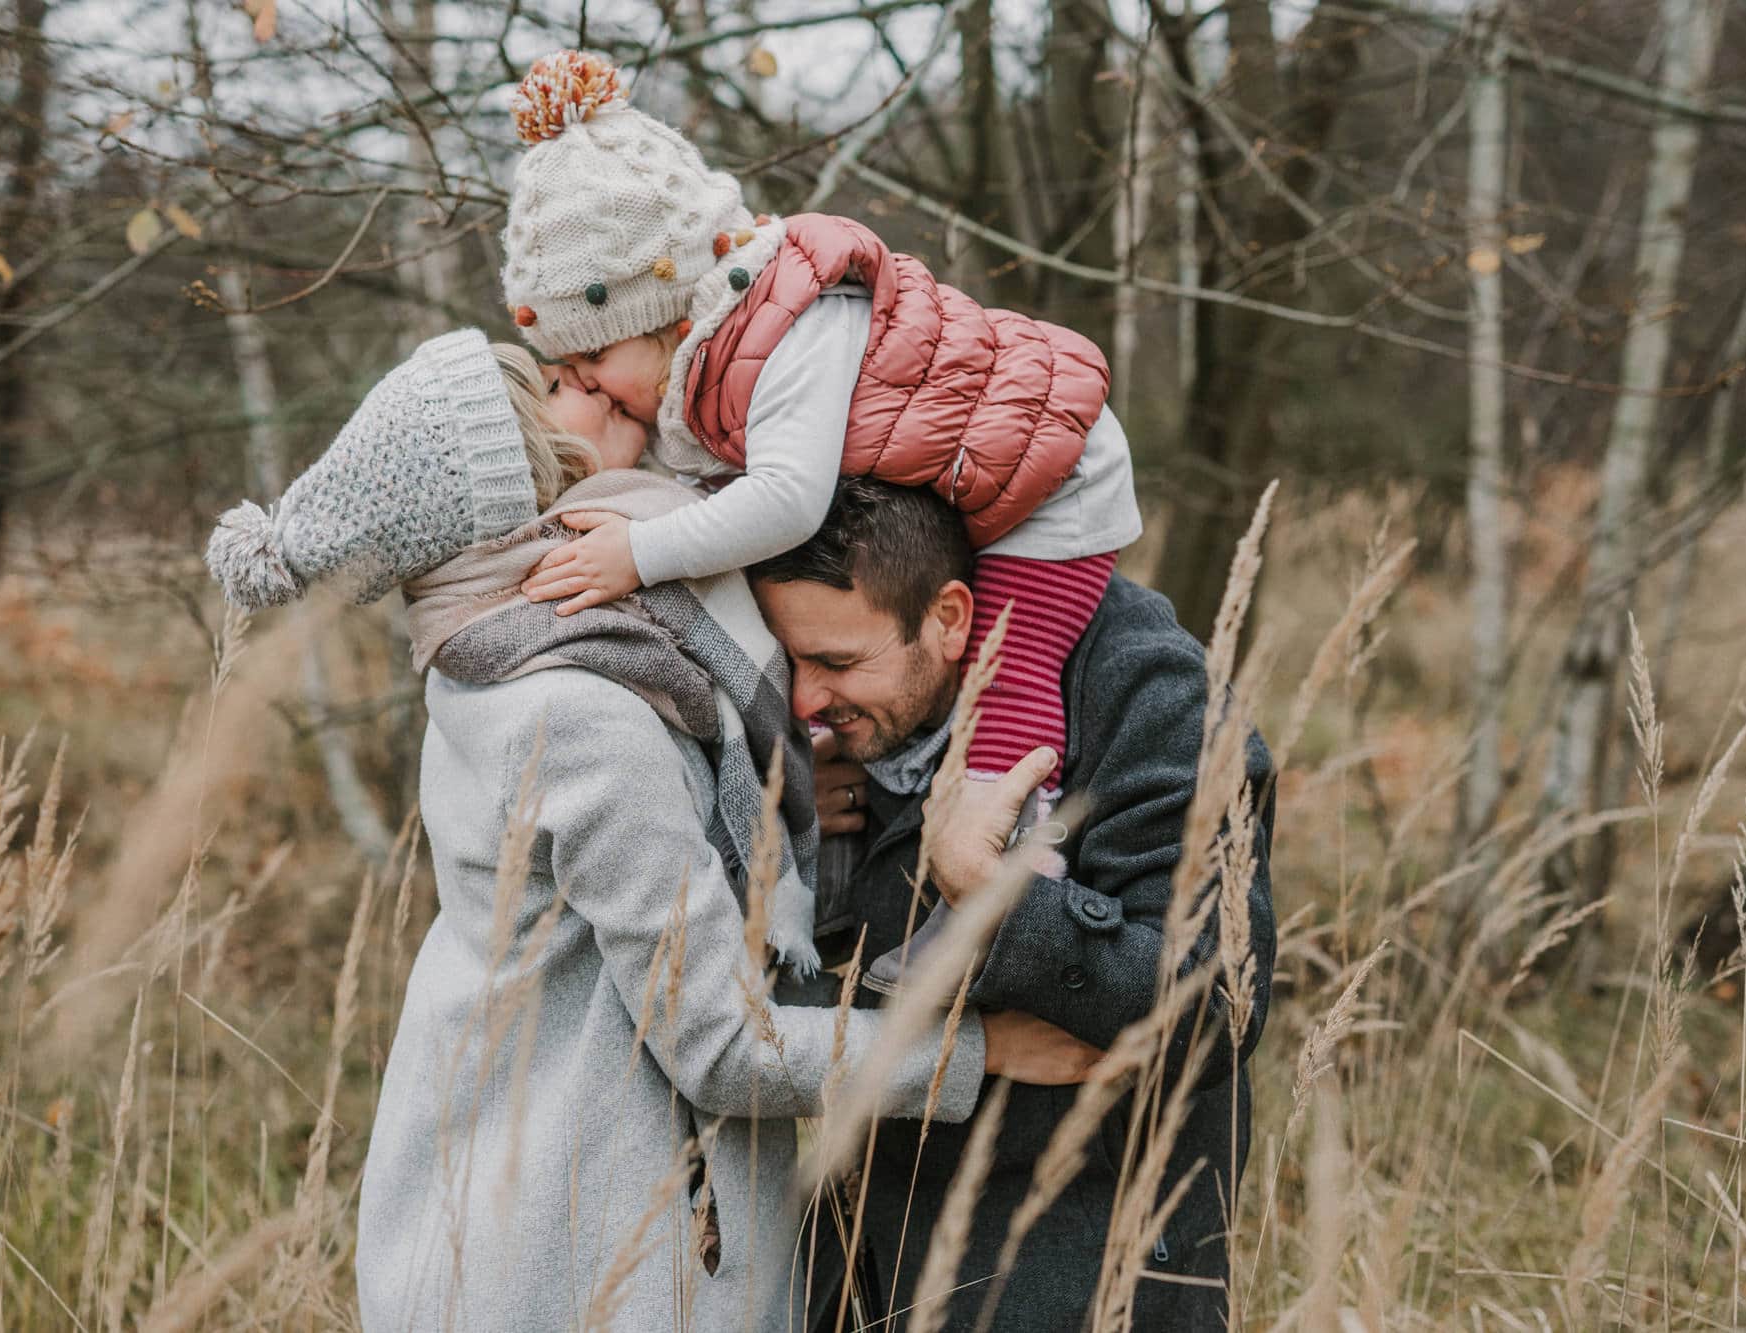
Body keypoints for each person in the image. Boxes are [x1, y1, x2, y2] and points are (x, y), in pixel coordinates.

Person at [201, 330, 1100, 1331]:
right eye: (555, 387)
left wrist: (761, 818)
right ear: (527, 492)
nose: (591, 378)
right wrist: (971, 1052)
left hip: (506, 1226)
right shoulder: (582, 714)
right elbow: (718, 1046)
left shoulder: (489, 661)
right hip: (585, 1266)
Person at [499, 49, 1144, 990]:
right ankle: (884, 891)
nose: (603, 396)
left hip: (1059, 482)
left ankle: (998, 905)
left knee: (1002, 692)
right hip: (1000, 474)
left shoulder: (792, 326)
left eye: (597, 370)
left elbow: (789, 500)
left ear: (666, 319)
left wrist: (637, 553)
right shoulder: (717, 364)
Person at [747, 479, 1278, 1331]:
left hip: (1077, 1280)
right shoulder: (872, 717)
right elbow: (775, 992)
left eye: (838, 663)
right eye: (791, 664)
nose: (805, 703)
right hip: (874, 1267)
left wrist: (999, 902)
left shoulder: (1151, 701)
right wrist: (788, 824)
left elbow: (1211, 1007)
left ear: (951, 618)